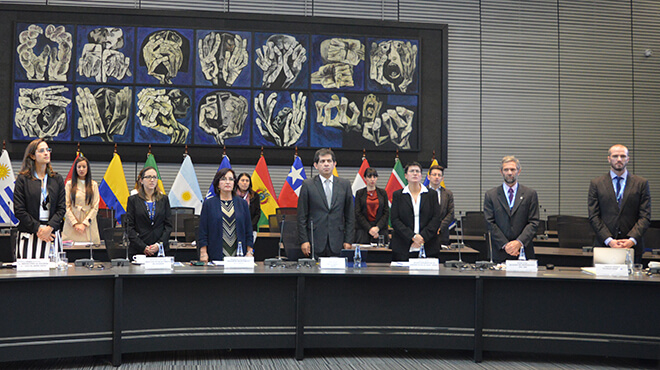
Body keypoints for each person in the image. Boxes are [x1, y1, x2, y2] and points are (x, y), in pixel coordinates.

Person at [588, 144, 651, 263]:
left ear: (628, 159)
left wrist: (631, 240)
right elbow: (594, 216)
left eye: (622, 156)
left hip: (632, 247)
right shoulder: (596, 184)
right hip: (604, 245)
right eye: (615, 156)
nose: (619, 159)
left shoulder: (641, 183)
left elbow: (645, 216)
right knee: (603, 281)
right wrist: (609, 240)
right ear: (609, 159)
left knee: (633, 280)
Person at [13, 138, 66, 259]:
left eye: (48, 150)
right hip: (29, 234)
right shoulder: (22, 180)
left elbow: (61, 208)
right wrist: (39, 229)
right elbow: (19, 210)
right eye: (41, 151)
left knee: (53, 275)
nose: (46, 153)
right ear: (32, 156)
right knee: (28, 276)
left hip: (51, 234)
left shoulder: (57, 179)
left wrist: (49, 228)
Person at [297, 148, 355, 258]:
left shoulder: (345, 185)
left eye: (329, 161)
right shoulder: (307, 185)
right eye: (322, 161)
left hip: (338, 241)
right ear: (316, 165)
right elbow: (301, 216)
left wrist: (349, 240)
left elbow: (350, 216)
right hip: (314, 241)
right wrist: (304, 240)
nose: (326, 164)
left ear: (334, 164)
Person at [484, 156, 539, 263]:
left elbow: (534, 222)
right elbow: (489, 222)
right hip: (499, 252)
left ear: (519, 171)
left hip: (523, 252)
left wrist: (519, 242)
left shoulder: (530, 194)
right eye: (506, 170)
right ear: (501, 172)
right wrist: (506, 245)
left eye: (513, 169)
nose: (509, 173)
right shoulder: (491, 195)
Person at [198, 168, 254, 262]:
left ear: (234, 183)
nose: (227, 182)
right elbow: (203, 231)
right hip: (215, 254)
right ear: (218, 184)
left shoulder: (242, 204)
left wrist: (249, 252)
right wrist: (203, 252)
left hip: (239, 256)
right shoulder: (209, 204)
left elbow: (248, 230)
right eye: (223, 179)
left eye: (231, 179)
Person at [390, 162, 442, 261]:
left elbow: (436, 219)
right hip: (403, 245)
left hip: (428, 245)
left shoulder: (432, 195)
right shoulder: (398, 195)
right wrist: (413, 237)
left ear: (421, 176)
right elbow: (395, 220)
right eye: (412, 171)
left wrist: (422, 238)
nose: (415, 173)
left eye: (417, 171)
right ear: (406, 175)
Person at [126, 166, 173, 258]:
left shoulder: (164, 199)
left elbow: (168, 226)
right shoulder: (133, 200)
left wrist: (159, 244)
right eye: (148, 177)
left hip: (160, 250)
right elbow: (129, 227)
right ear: (141, 180)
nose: (152, 180)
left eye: (155, 177)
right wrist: (143, 247)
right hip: (139, 251)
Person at [62, 155, 101, 244]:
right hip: (72, 226)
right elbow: (66, 206)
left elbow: (95, 207)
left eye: (84, 167)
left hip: (88, 226)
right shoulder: (69, 184)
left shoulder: (93, 185)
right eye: (79, 167)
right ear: (75, 169)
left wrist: (84, 224)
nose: (81, 169)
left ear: (88, 168)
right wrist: (75, 223)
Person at [354, 168, 390, 245]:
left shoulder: (383, 193)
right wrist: (370, 229)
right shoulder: (359, 193)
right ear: (365, 178)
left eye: (374, 177)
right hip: (363, 231)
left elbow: (386, 212)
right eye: (369, 177)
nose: (372, 179)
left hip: (380, 230)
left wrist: (377, 228)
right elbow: (357, 213)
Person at [426, 165, 455, 247]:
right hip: (426, 233)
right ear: (429, 177)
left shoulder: (448, 194)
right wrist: (431, 228)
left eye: (439, 175)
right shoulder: (422, 192)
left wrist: (440, 227)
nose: (436, 177)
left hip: (442, 234)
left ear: (442, 178)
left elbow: (451, 213)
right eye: (434, 175)